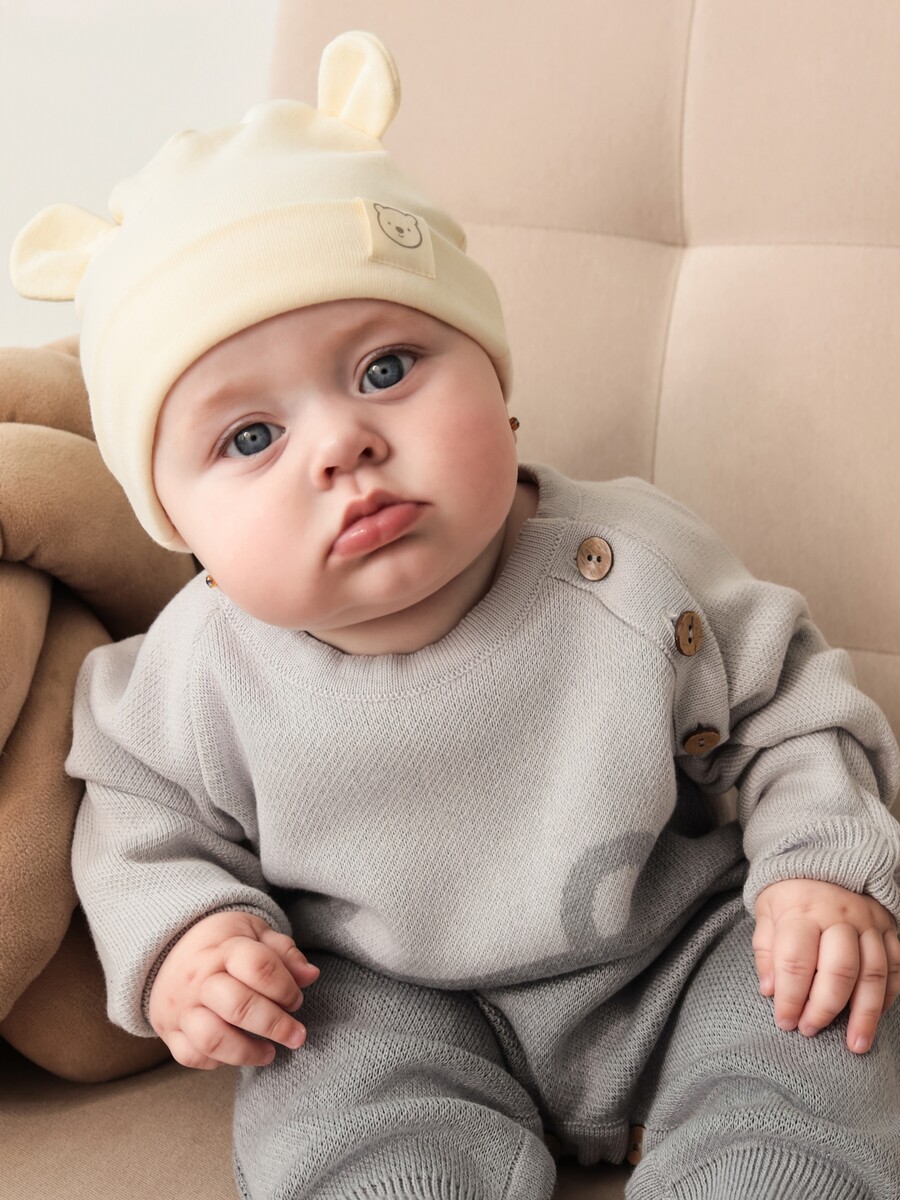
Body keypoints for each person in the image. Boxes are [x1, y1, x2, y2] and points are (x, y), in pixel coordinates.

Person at [11, 29, 900, 1200]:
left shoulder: (634, 562)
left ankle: (756, 1168)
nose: (343, 444)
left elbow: (789, 705)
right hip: (392, 999)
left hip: (680, 956)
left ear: (495, 373)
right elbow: (135, 815)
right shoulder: (197, 674)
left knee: (821, 1027)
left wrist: (817, 870)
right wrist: (189, 940)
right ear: (179, 525)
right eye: (250, 436)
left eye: (384, 369)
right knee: (324, 1081)